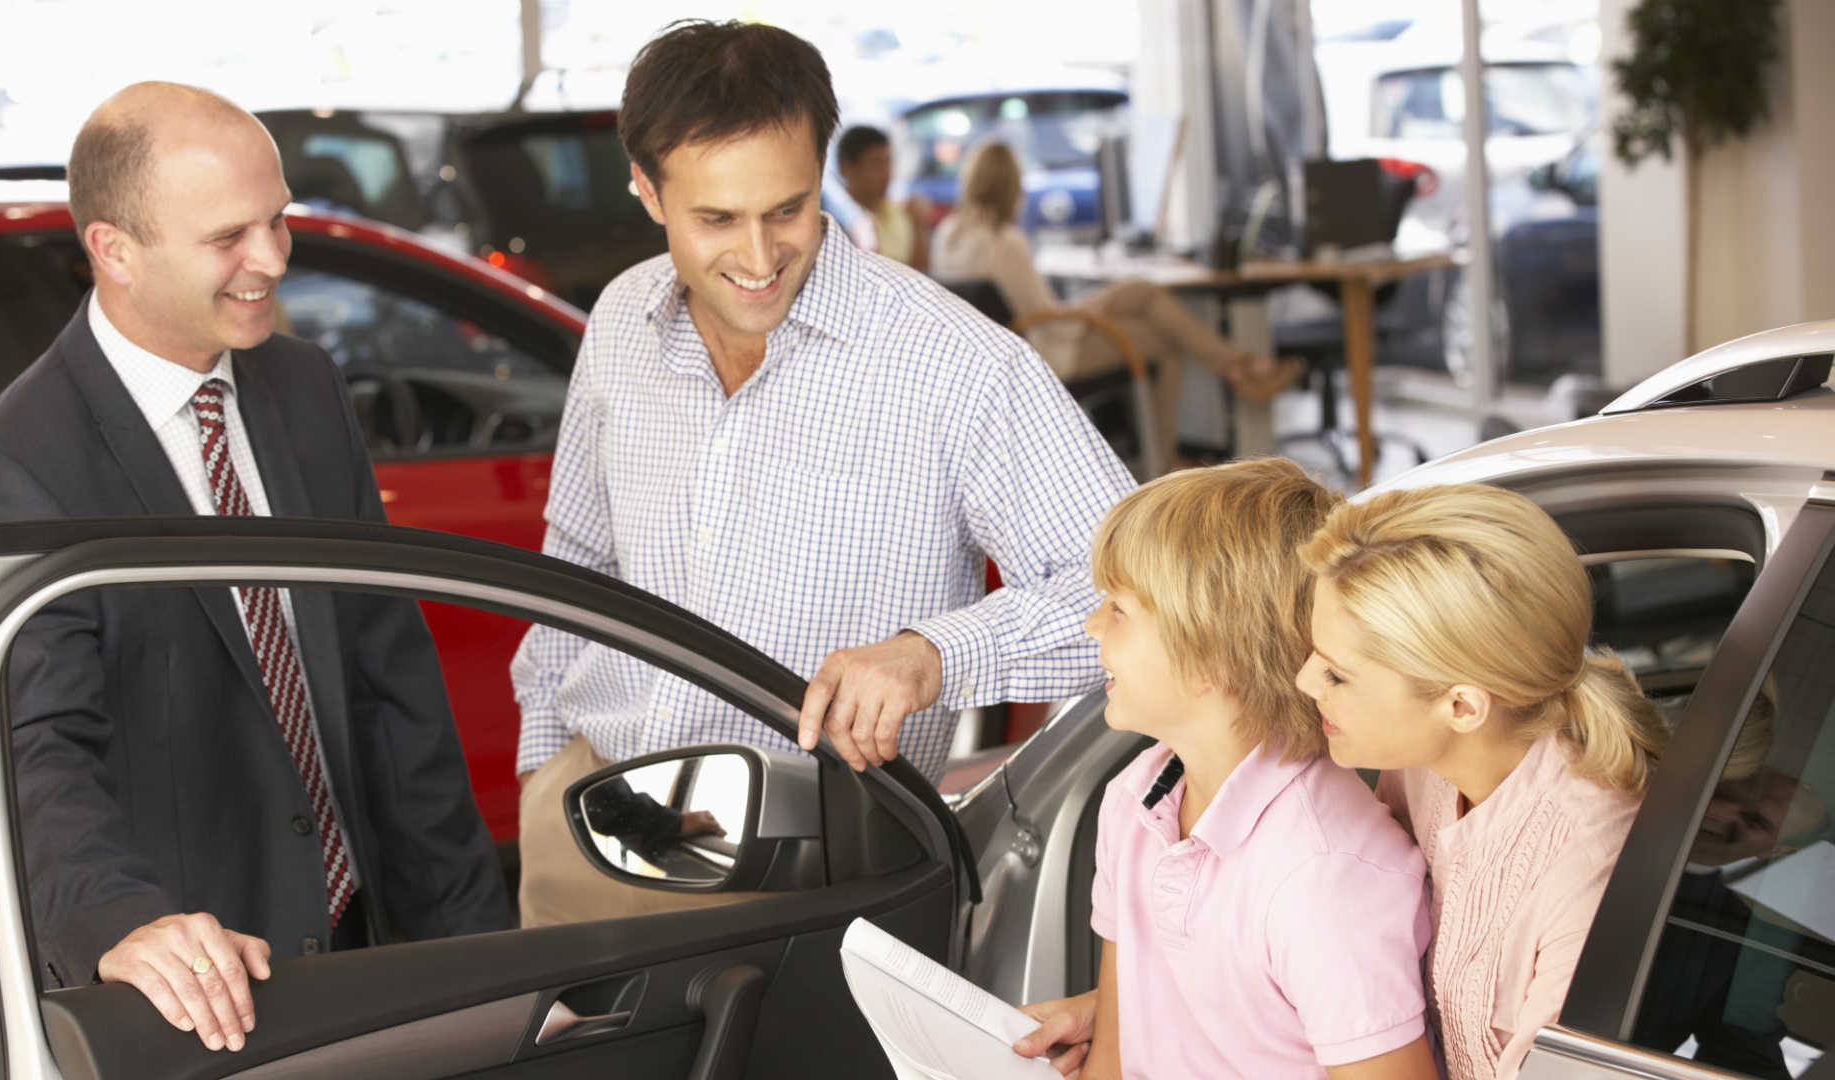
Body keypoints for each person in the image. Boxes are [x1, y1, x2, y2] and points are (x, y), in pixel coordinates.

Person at [509, 20, 1133, 927]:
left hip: (817, 863)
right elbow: (578, 559)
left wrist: (935, 655)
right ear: (646, 190)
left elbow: (1137, 590)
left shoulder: (953, 361)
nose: (759, 261)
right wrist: (543, 766)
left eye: (788, 210)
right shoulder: (620, 319)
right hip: (591, 820)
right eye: (717, 219)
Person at [0, 82, 510, 1053]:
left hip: (367, 953)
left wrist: (489, 972)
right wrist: (119, 923)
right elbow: (36, 757)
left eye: (277, 220)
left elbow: (391, 696)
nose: (275, 259)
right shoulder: (18, 470)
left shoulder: (307, 387)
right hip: (204, 994)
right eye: (228, 237)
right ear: (114, 252)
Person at [1020, 459, 1437, 1079]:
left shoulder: (1323, 878)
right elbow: (1115, 1050)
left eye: (1119, 609)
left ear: (1209, 652)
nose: (1091, 624)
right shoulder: (1132, 801)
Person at [1291, 484, 1668, 1079]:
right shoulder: (1423, 762)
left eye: (1338, 673)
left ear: (1464, 707)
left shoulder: (1589, 866)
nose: (1306, 681)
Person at [928, 140, 1299, 468]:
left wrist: (1098, 304)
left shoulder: (947, 235)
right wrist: (1094, 309)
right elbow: (1053, 321)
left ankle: (1237, 369)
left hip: (1011, 352)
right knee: (1160, 331)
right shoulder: (1004, 240)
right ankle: (1174, 448)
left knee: (1140, 292)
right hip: (1048, 354)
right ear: (1010, 187)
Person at [836, 124, 927, 269]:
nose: (886, 174)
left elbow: (921, 273)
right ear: (846, 168)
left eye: (888, 163)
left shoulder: (900, 212)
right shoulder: (838, 223)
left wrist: (918, 227)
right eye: (876, 164)